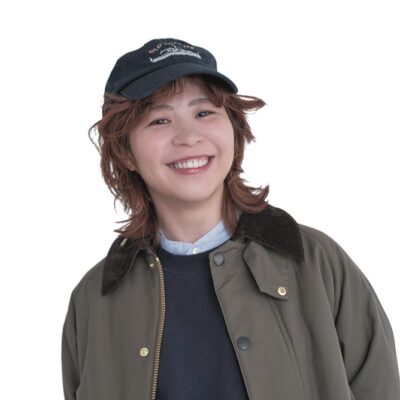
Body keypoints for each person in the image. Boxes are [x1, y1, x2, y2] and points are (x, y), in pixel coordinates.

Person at [61, 38, 400, 400]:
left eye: (204, 113)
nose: (189, 137)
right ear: (125, 151)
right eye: (159, 120)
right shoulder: (93, 300)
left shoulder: (316, 263)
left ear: (234, 131)